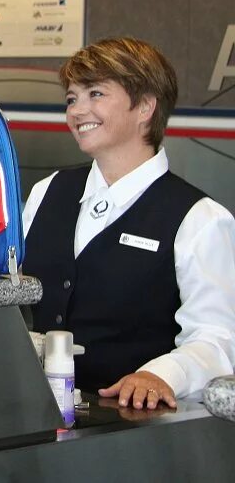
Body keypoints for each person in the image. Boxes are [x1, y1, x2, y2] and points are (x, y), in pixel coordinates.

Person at [23, 37, 235, 411]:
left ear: (146, 107)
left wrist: (162, 374)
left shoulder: (200, 219)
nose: (77, 110)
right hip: (32, 414)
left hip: (132, 432)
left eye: (95, 94)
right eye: (72, 98)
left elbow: (217, 338)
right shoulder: (46, 192)